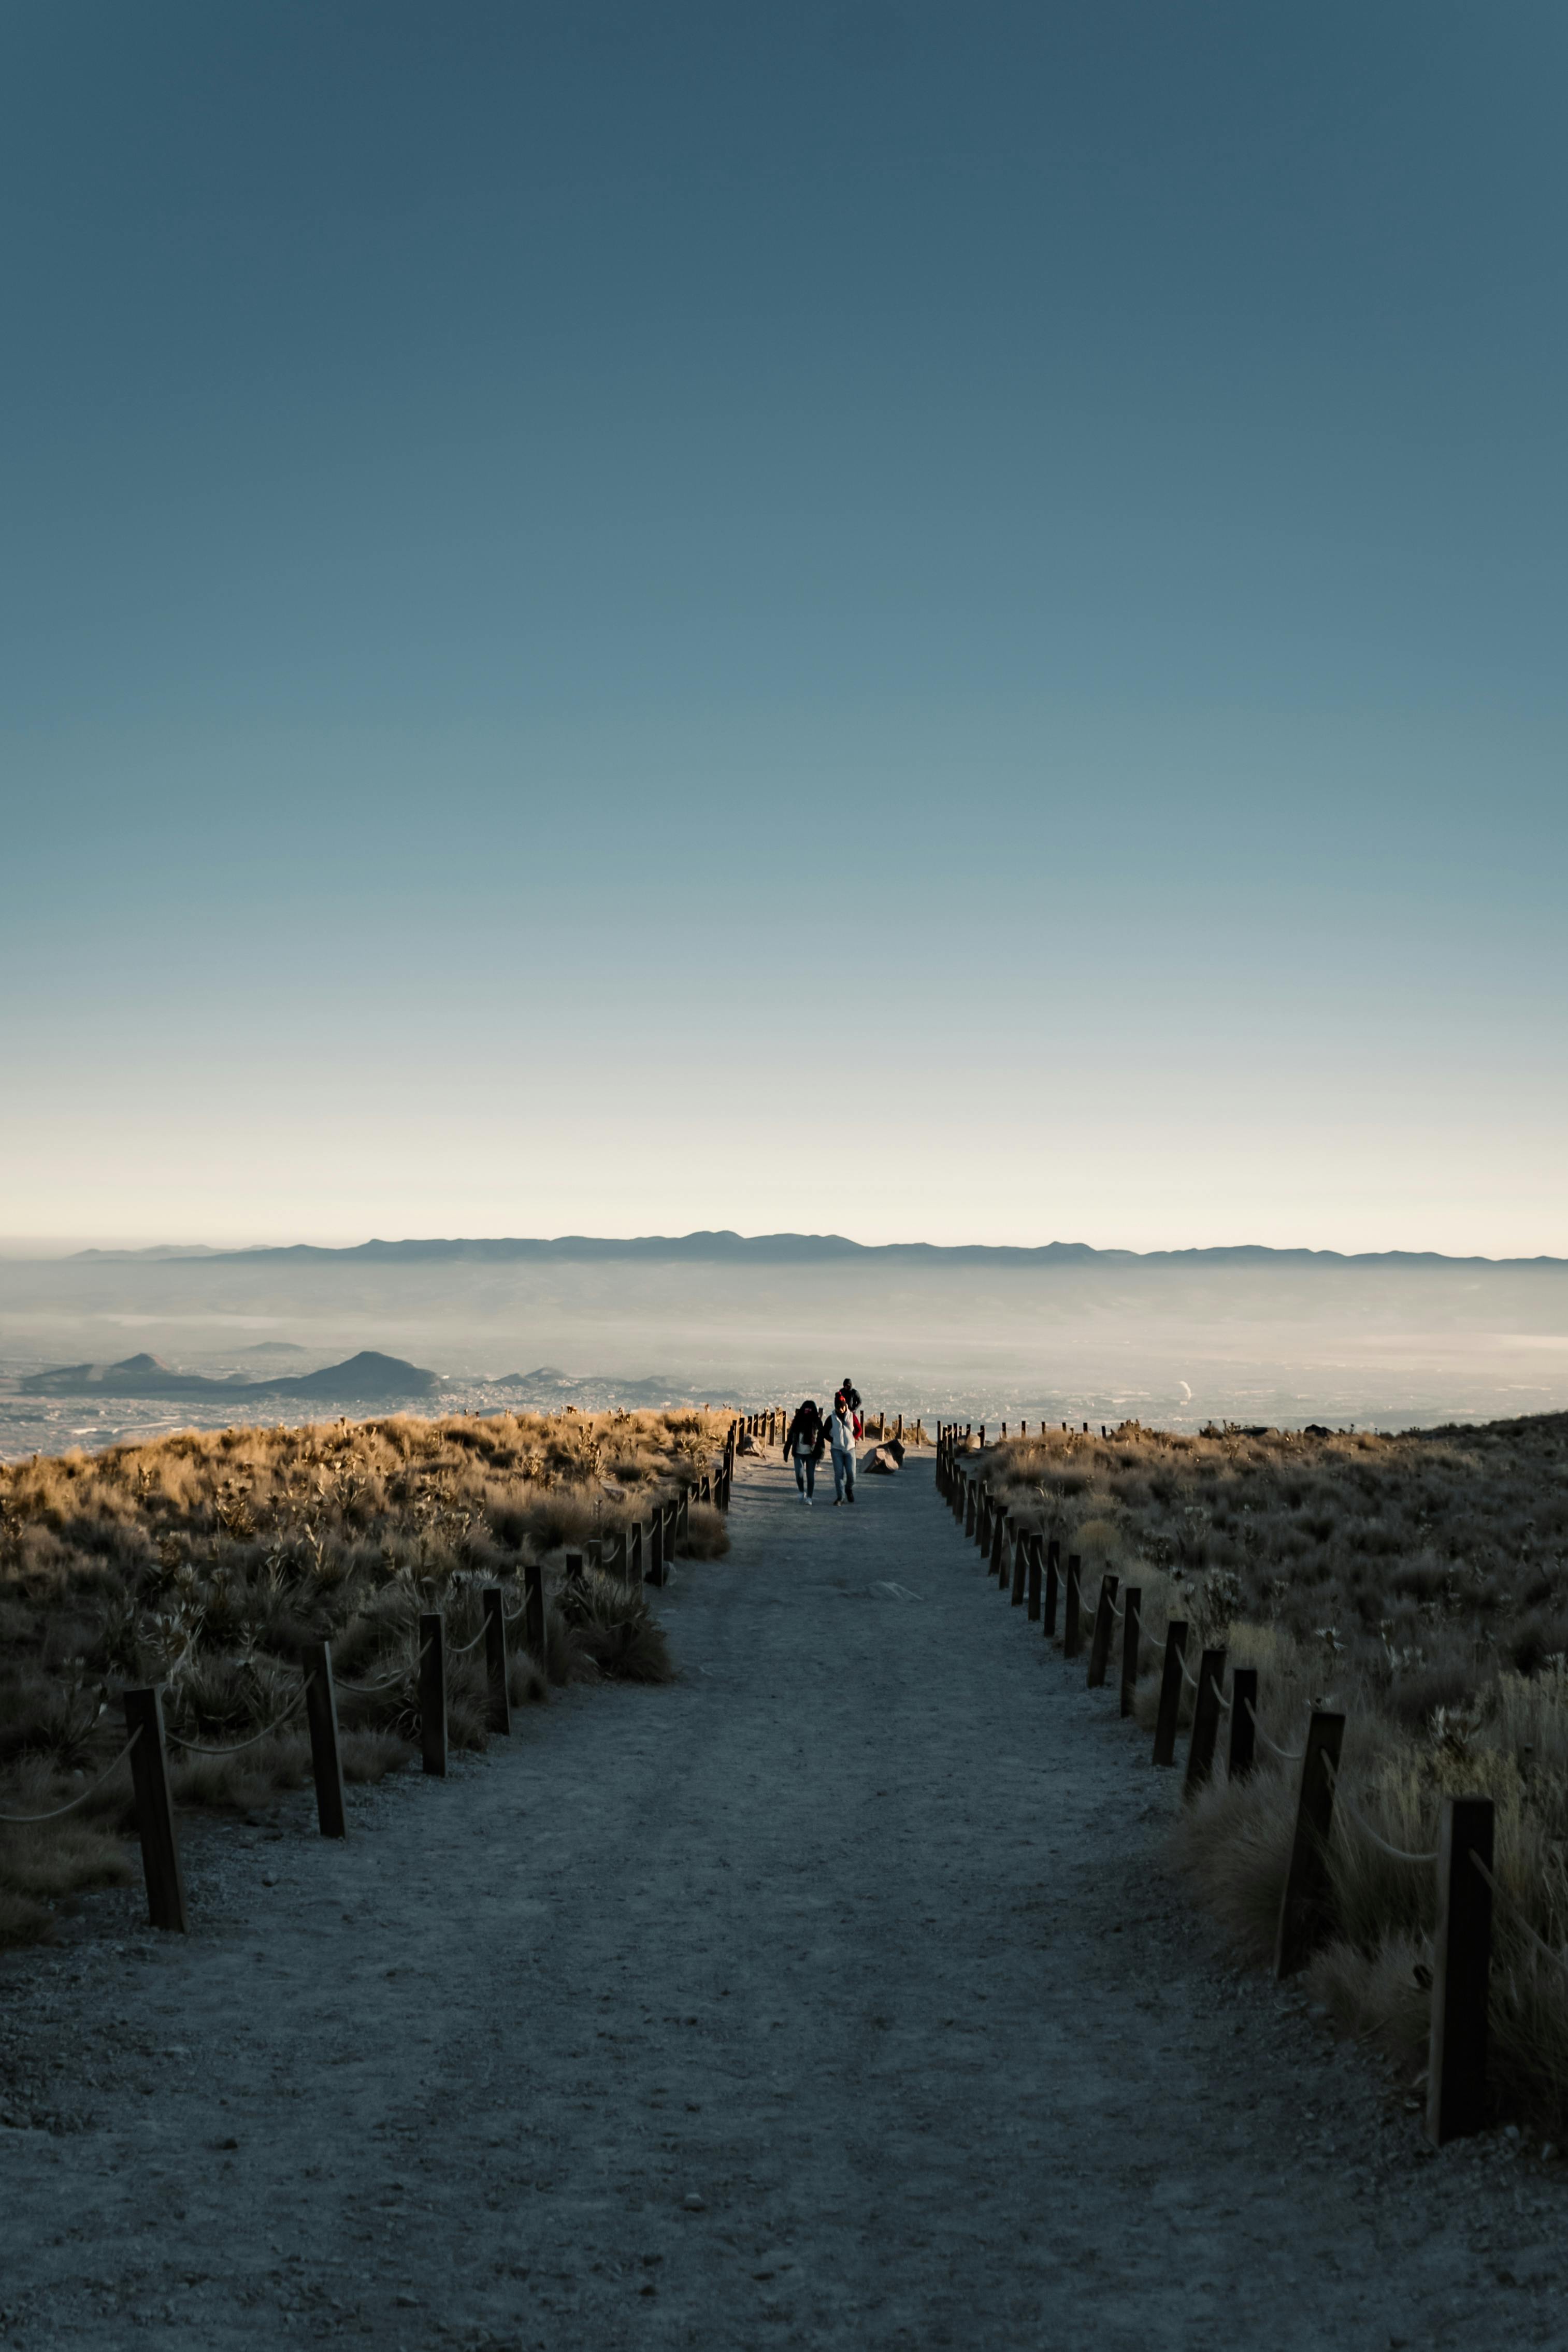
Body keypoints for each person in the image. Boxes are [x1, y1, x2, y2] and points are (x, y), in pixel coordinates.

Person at [783, 1399, 826, 1504]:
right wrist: (786, 1451)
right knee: (799, 1474)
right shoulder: (797, 1421)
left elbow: (821, 1440)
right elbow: (790, 1437)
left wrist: (821, 1455)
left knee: (810, 1476)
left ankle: (810, 1498)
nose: (807, 1411)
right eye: (806, 1409)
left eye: (809, 1410)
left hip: (812, 1454)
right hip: (798, 1452)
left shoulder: (817, 1422)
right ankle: (802, 1491)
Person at [829, 1391, 858, 1505]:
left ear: (845, 1406)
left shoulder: (851, 1416)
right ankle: (840, 1498)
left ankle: (848, 1488)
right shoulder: (832, 1418)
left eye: (842, 1407)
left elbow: (859, 1429)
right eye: (838, 1408)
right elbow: (825, 1432)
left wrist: (853, 1438)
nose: (840, 1410)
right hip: (837, 1450)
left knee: (852, 1475)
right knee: (839, 1474)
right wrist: (834, 1440)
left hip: (850, 1449)